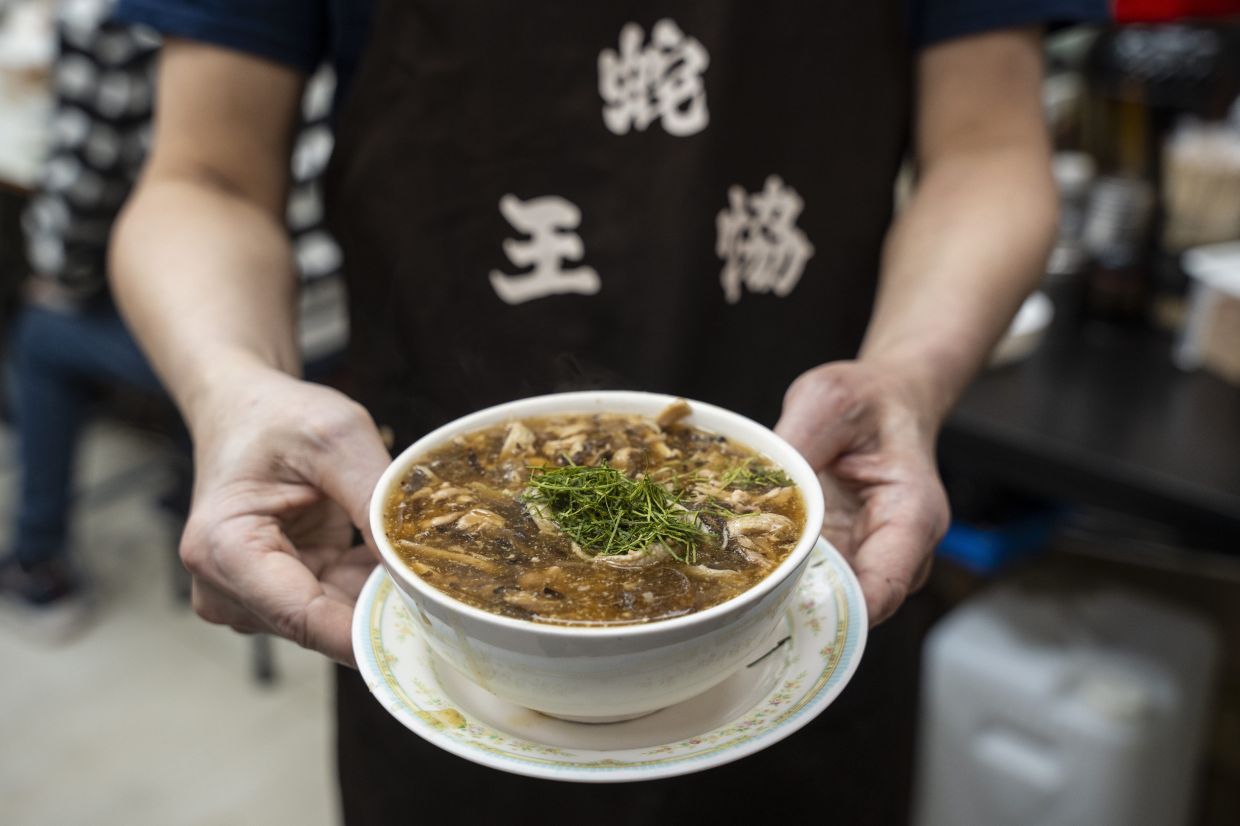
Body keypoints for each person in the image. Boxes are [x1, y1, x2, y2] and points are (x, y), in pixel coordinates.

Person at [109, 1, 1106, 822]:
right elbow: (205, 176)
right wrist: (231, 388)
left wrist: (909, 376)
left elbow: (986, 146)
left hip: (815, 553)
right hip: (432, 597)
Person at [0, 0, 346, 631]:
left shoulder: (96, 20)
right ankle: (189, 466)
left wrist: (58, 274)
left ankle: (37, 560)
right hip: (339, 313)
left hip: (276, 325)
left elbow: (76, 213)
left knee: (40, 329)